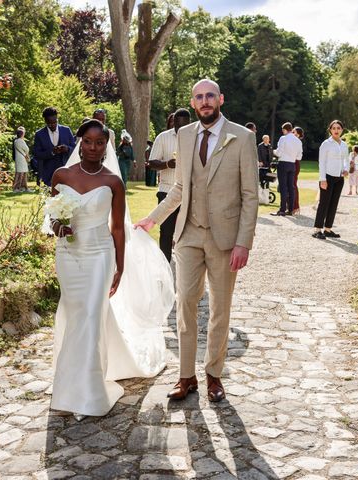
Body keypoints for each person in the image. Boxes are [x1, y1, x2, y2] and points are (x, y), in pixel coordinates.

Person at [135, 79, 259, 403]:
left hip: (225, 238)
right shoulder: (184, 135)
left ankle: (213, 374)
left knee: (220, 307)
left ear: (220, 99)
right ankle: (186, 376)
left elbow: (250, 196)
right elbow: (179, 188)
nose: (205, 102)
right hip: (188, 233)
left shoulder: (243, 138)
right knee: (186, 301)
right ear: (193, 103)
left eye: (210, 96)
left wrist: (243, 242)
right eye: (199, 97)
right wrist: (153, 218)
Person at [48, 119, 174, 419]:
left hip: (100, 256)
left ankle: (88, 393)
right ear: (80, 142)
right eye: (88, 142)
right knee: (75, 313)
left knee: (91, 315)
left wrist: (119, 266)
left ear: (107, 145)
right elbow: (52, 217)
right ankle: (70, 384)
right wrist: (58, 226)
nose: (93, 148)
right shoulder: (60, 175)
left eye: (100, 142)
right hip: (69, 255)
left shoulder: (113, 182)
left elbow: (118, 228)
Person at [146, 108, 192, 262]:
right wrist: (167, 164)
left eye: (185, 126)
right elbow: (151, 163)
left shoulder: (196, 137)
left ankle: (185, 263)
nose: (181, 130)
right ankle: (164, 263)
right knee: (166, 231)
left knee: (188, 232)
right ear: (174, 123)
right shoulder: (163, 137)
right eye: (179, 127)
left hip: (189, 193)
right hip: (167, 190)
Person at [313, 120, 349, 239]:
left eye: (338, 128)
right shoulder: (326, 144)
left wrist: (345, 169)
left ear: (342, 130)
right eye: (334, 128)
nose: (336, 130)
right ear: (330, 130)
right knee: (324, 203)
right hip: (327, 177)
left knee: (334, 204)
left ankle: (328, 229)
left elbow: (346, 160)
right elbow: (321, 162)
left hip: (339, 178)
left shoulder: (344, 145)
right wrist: (322, 179)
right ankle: (318, 230)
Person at [32, 107, 76, 187]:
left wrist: (67, 149)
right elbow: (37, 154)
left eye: (55, 122)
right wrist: (51, 152)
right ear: (45, 121)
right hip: (47, 175)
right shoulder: (39, 134)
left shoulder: (66, 130)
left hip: (65, 173)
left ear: (57, 119)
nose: (52, 125)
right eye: (49, 123)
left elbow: (75, 150)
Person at [271, 122, 302, 216]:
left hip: (283, 164)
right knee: (291, 187)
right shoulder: (298, 141)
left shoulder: (283, 138)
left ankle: (282, 209)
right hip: (292, 164)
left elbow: (279, 153)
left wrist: (273, 151)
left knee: (283, 187)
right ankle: (291, 209)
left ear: (284, 130)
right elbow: (299, 157)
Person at [12, 127, 30, 193]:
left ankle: (23, 187)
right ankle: (16, 188)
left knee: (23, 173)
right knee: (20, 173)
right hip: (21, 159)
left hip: (22, 158)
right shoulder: (19, 141)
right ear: (22, 134)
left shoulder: (18, 141)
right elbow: (26, 149)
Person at [291, 126, 304, 215]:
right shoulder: (292, 141)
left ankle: (296, 206)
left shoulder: (298, 142)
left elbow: (297, 156)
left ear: (298, 134)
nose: (292, 133)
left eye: (294, 132)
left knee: (293, 185)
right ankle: (291, 206)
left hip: (295, 163)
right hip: (291, 162)